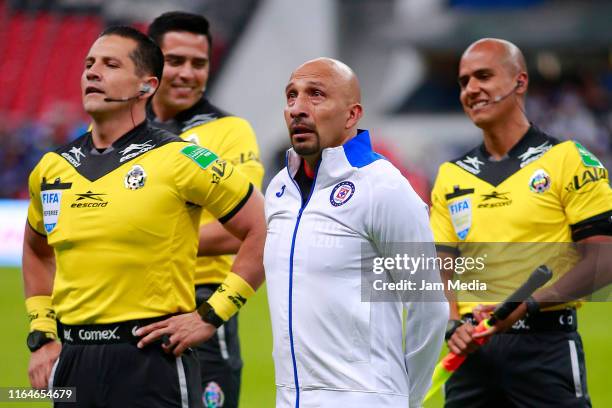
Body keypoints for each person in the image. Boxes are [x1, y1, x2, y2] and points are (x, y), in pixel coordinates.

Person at [23, 26, 265, 408]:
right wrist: (42, 334)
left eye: (110, 64)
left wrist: (211, 314)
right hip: (72, 361)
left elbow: (262, 228)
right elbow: (37, 251)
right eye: (89, 64)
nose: (92, 72)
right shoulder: (51, 168)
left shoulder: (182, 159)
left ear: (146, 86)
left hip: (152, 359)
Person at [430, 38, 612, 407]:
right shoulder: (450, 175)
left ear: (520, 82)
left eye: (483, 76)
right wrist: (453, 325)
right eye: (464, 81)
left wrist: (528, 305)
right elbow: (440, 268)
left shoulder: (568, 159)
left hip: (544, 348)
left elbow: (603, 260)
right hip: (472, 352)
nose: (471, 89)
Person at [264, 57, 448, 408]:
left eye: (315, 95)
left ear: (352, 115)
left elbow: (429, 308)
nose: (297, 109)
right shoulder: (278, 189)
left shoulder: (383, 187)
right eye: (291, 96)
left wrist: (403, 399)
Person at [145, 12, 264, 407]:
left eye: (199, 63)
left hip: (202, 305)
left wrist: (140, 245)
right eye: (175, 60)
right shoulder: (120, 134)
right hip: (129, 305)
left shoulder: (229, 131)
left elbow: (242, 229)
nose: (187, 73)